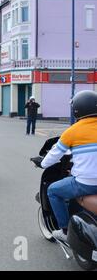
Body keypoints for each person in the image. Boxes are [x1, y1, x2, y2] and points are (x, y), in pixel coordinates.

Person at [41, 90, 97, 243]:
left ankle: (65, 230)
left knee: (53, 190)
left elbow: (54, 154)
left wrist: (42, 163)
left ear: (77, 110)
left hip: (86, 184)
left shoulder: (73, 131)